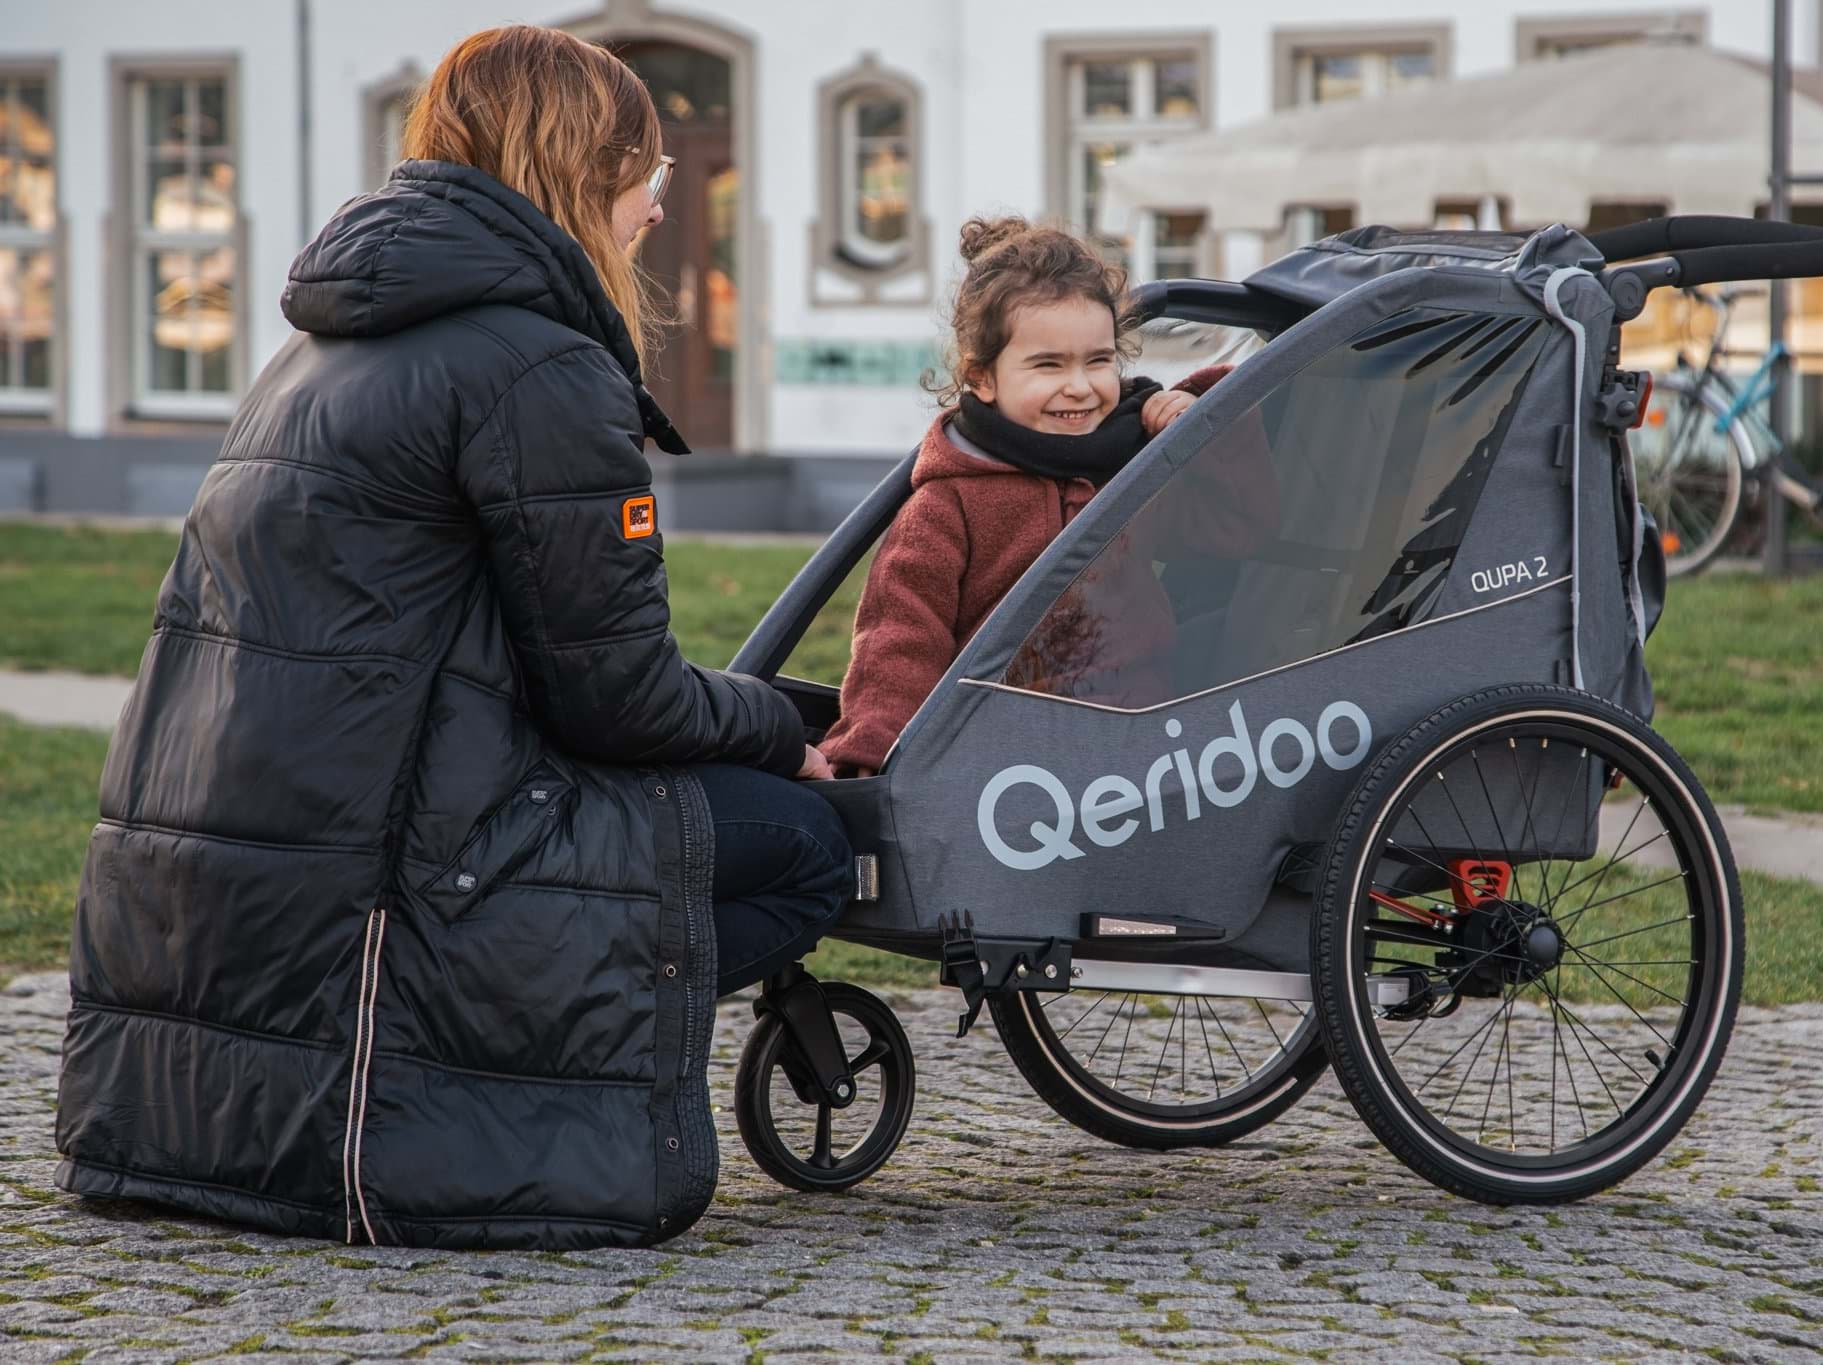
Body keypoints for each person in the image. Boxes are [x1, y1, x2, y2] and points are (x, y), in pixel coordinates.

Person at [53, 25, 847, 1250]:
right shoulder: (540, 368)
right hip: (392, 859)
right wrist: (786, 729)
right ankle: (507, 1079)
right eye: (645, 172)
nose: (656, 206)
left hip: (225, 868)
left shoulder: (316, 349)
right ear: (582, 169)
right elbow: (617, 699)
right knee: (804, 844)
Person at [822, 217, 1255, 776]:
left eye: (1098, 360)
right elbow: (900, 641)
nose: (1079, 386)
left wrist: (1204, 426)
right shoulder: (947, 506)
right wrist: (877, 754)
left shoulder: (1130, 464)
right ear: (982, 378)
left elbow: (1234, 529)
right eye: (1048, 365)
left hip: (1143, 741)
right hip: (1008, 763)